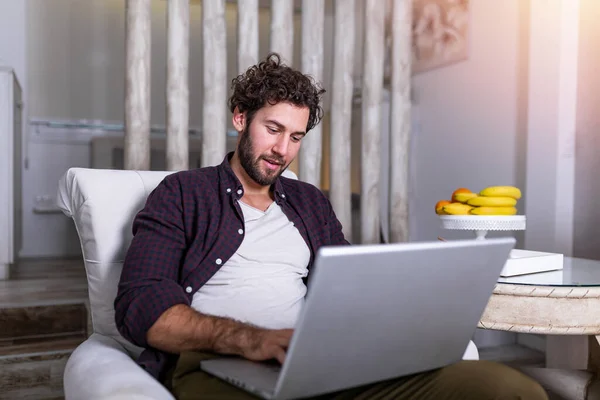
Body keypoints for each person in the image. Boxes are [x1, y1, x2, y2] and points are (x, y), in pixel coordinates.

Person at [114, 53, 548, 400]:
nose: (282, 150)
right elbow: (140, 308)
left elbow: (349, 283)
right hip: (217, 364)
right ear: (240, 118)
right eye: (273, 129)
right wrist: (250, 340)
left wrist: (420, 277)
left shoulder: (308, 201)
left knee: (510, 389)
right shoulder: (183, 193)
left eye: (296, 137)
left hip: (320, 362)